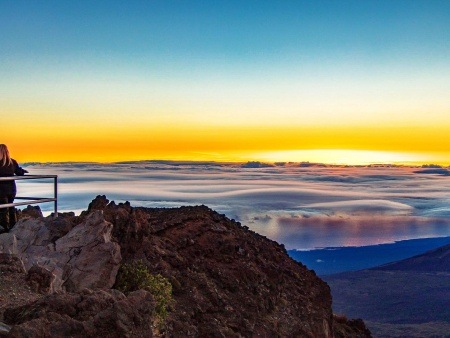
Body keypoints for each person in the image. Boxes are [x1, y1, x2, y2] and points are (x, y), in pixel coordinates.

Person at [0, 144, 28, 232]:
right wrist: (23, 171)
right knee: (11, 207)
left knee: (2, 210)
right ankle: (14, 227)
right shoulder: (12, 162)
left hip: (1, 190)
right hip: (11, 189)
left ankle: (4, 229)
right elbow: (19, 172)